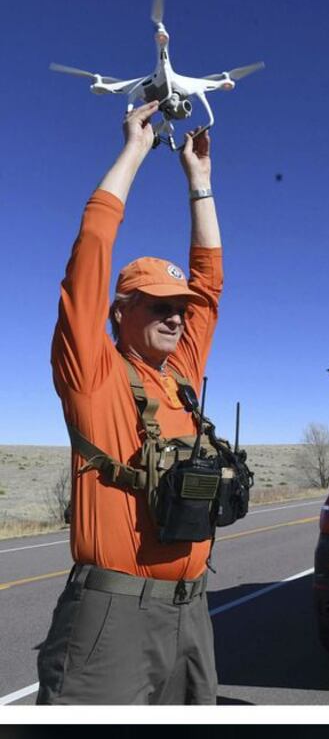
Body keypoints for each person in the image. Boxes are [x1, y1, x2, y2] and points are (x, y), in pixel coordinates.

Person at [37, 103, 225, 704]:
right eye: (157, 306)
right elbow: (91, 252)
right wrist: (136, 151)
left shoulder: (181, 378)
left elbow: (210, 284)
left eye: (179, 309)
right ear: (120, 314)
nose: (175, 316)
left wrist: (200, 185)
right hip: (113, 615)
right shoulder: (94, 374)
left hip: (192, 612)